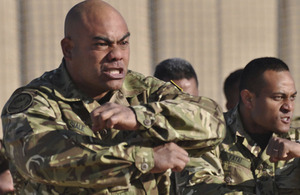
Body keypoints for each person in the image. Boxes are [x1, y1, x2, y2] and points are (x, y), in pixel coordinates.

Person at [1, 0, 225, 194]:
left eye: (123, 43)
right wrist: (146, 159)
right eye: (102, 44)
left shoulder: (144, 91)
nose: (117, 54)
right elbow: (44, 160)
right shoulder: (34, 102)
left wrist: (142, 117)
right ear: (68, 49)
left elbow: (213, 120)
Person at [220, 57, 300, 194]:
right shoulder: (212, 137)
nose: (289, 107)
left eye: (292, 97)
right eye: (278, 97)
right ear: (248, 99)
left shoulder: (297, 135)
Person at [154, 58, 227, 194]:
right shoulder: (139, 138)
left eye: (190, 101)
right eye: (175, 103)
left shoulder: (215, 138)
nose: (185, 111)